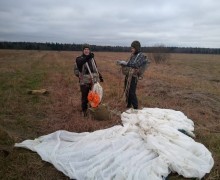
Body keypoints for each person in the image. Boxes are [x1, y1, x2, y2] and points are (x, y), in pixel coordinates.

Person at [75, 44, 103, 116]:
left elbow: (95, 69)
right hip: (84, 82)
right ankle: (84, 111)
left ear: (89, 50)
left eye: (88, 49)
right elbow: (80, 63)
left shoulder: (92, 59)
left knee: (94, 95)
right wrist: (88, 57)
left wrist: (100, 76)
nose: (86, 50)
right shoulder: (79, 59)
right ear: (83, 50)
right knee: (85, 97)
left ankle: (93, 110)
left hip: (93, 80)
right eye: (85, 49)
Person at [123, 40, 147, 109]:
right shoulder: (133, 55)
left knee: (132, 92)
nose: (131, 49)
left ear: (137, 48)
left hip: (134, 76)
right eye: (131, 48)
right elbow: (129, 64)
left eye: (133, 48)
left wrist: (126, 64)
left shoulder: (141, 56)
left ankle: (136, 107)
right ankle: (128, 105)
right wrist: (123, 63)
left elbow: (136, 65)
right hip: (128, 75)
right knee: (126, 90)